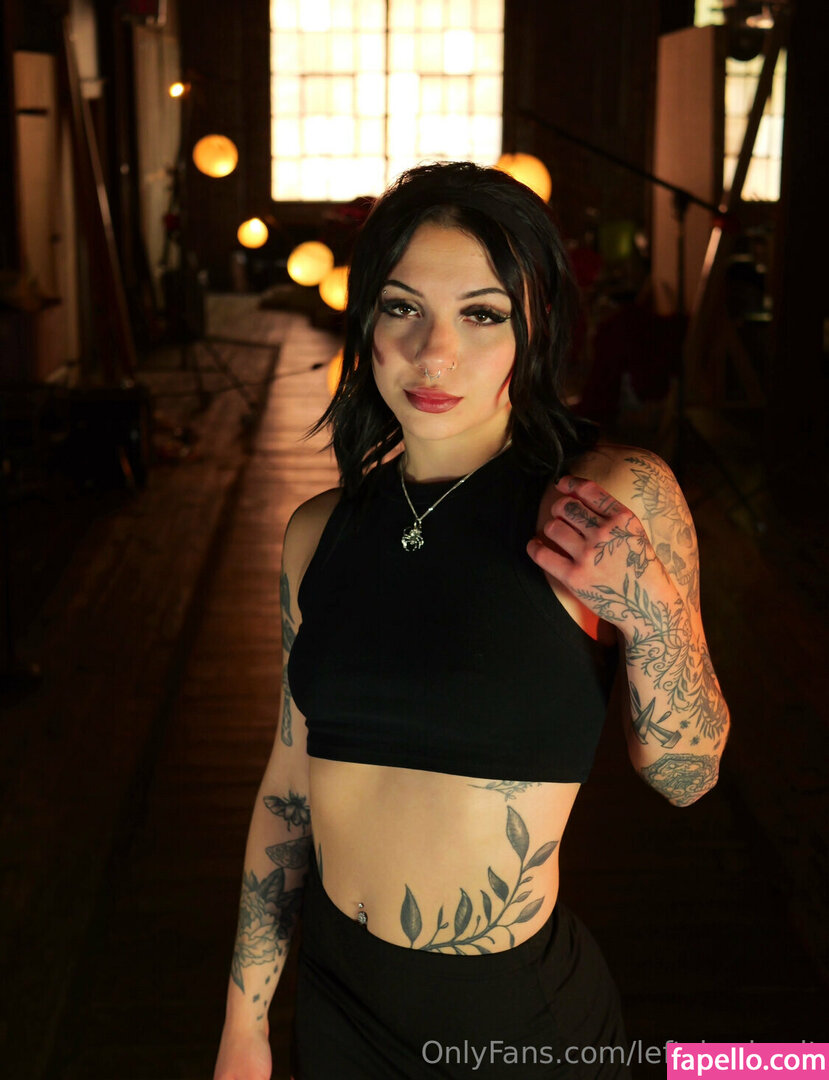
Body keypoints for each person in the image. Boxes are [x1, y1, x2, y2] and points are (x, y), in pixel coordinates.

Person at [213, 161, 730, 1080]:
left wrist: (651, 612)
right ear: (366, 320)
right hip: (335, 1003)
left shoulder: (610, 496)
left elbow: (686, 776)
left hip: (510, 1020)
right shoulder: (317, 533)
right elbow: (288, 783)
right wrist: (244, 1023)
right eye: (402, 307)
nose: (433, 352)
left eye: (482, 314)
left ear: (536, 328)